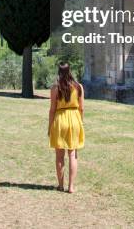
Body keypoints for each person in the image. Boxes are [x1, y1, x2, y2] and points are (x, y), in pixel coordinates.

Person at [48, 63, 84, 193]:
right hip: (75, 119)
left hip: (60, 119)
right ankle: (71, 187)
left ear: (58, 71)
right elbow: (82, 108)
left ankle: (61, 185)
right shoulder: (79, 87)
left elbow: (52, 110)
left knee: (59, 155)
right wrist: (80, 123)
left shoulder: (55, 88)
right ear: (70, 71)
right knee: (72, 154)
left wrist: (50, 127)